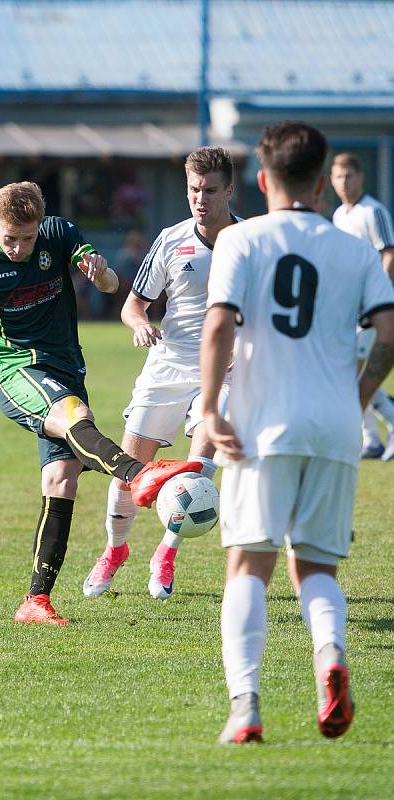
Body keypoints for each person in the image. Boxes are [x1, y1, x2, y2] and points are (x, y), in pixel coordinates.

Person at [0, 181, 201, 625]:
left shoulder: (59, 235)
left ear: (40, 225)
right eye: (10, 237)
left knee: (62, 480)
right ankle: (139, 473)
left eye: (28, 237)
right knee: (75, 416)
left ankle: (35, 601)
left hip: (65, 370)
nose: (20, 248)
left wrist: (100, 271)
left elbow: (109, 285)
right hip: (19, 372)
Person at [201, 121, 394, 744]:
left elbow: (219, 327)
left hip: (263, 426)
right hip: (335, 428)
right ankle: (330, 658)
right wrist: (356, 398)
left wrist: (209, 408)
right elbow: (389, 335)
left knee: (247, 566)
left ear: (262, 180)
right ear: (321, 182)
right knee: (316, 569)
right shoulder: (356, 250)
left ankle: (246, 707)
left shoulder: (240, 241)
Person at [83, 147, 239, 601]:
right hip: (168, 364)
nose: (201, 199)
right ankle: (114, 551)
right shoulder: (172, 239)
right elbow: (134, 305)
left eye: (211, 190)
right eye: (193, 190)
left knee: (199, 470)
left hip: (225, 372)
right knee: (130, 474)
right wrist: (140, 325)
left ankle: (166, 552)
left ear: (230, 190)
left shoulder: (251, 241)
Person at [330, 152, 394, 461]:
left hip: (373, 309)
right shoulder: (340, 214)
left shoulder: (373, 211)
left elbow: (388, 254)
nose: (344, 182)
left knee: (354, 371)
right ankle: (371, 438)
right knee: (348, 373)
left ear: (360, 177)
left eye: (349, 176)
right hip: (348, 308)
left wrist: (375, 299)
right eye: (338, 177)